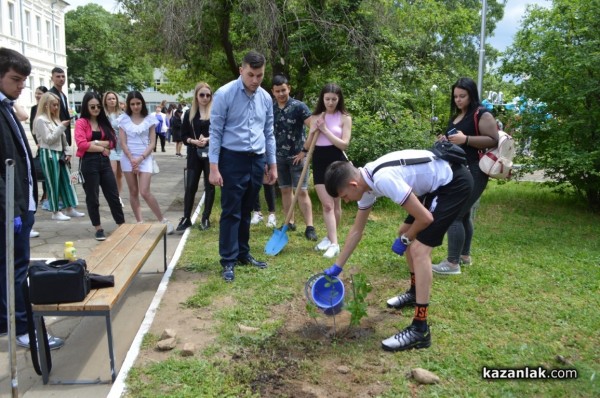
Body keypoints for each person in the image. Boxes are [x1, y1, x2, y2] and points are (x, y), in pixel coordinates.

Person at [322, 149, 473, 351]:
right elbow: (356, 231)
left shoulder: (383, 179)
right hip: (434, 186)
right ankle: (414, 292)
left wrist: (405, 239)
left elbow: (425, 219)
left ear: (352, 185)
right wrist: (337, 266)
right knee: (405, 231)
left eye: (345, 196)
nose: (347, 200)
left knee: (419, 249)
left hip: (453, 182)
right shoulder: (365, 183)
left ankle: (420, 329)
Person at [0, 47, 64, 349]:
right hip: (8, 207)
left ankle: (6, 321)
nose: (21, 86)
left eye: (24, 80)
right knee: (15, 271)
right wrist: (11, 208)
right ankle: (23, 328)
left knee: (10, 269)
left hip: (19, 203)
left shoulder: (6, 106)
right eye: (15, 79)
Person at [209, 51, 276, 282]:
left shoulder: (266, 98)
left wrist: (272, 163)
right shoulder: (224, 94)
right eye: (251, 74)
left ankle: (243, 253)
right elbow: (215, 132)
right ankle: (228, 259)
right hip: (232, 159)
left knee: (247, 208)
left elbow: (269, 133)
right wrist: (214, 167)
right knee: (231, 210)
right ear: (241, 70)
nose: (255, 80)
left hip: (256, 160)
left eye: (260, 75)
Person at [432, 77, 499, 275]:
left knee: (455, 214)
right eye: (455, 97)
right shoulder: (457, 116)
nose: (458, 100)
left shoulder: (482, 114)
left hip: (476, 169)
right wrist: (446, 140)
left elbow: (493, 139)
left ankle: (452, 263)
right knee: (465, 213)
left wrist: (465, 139)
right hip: (458, 170)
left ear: (471, 95)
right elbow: (456, 141)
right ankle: (464, 255)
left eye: (463, 96)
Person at [118, 91, 174, 233]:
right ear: (128, 105)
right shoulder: (123, 120)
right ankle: (139, 222)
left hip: (144, 157)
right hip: (128, 158)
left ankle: (162, 220)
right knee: (133, 191)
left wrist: (140, 158)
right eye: (132, 104)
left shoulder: (150, 119)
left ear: (142, 103)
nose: (135, 106)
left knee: (144, 191)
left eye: (138, 103)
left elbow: (152, 143)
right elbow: (123, 143)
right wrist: (131, 159)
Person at [307, 83, 352, 258]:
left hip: (337, 160)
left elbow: (344, 144)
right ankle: (333, 242)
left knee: (335, 204)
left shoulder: (345, 118)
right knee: (327, 205)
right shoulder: (316, 116)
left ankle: (331, 239)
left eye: (334, 99)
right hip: (319, 160)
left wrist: (325, 130)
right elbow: (308, 145)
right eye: (327, 99)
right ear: (322, 99)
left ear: (339, 99)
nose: (331, 102)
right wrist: (312, 131)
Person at [271, 74, 316, 240]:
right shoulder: (271, 108)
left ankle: (310, 227)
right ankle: (289, 221)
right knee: (285, 190)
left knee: (302, 191)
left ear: (288, 88)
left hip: (298, 157)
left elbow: (313, 128)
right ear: (273, 92)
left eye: (283, 90)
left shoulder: (299, 107)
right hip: (278, 157)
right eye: (278, 91)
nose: (281, 93)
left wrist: (304, 151)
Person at [75, 92, 125, 241]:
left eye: (98, 106)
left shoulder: (104, 122)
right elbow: (82, 144)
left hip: (104, 162)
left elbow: (112, 142)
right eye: (92, 106)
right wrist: (102, 147)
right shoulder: (81, 122)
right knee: (93, 197)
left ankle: (121, 224)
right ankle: (98, 228)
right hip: (89, 163)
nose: (96, 109)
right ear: (86, 106)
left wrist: (95, 144)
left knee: (113, 195)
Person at [33, 92, 84, 221]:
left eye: (57, 105)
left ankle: (69, 208)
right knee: (53, 183)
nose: (56, 108)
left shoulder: (54, 119)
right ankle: (55, 211)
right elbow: (49, 139)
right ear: (45, 105)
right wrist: (62, 126)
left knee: (67, 180)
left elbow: (63, 139)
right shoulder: (40, 120)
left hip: (60, 153)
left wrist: (67, 152)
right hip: (49, 154)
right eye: (54, 105)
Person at [176, 83, 216, 233]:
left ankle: (205, 217)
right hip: (194, 153)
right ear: (196, 96)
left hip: (210, 153)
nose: (205, 98)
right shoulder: (190, 113)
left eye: (208, 95)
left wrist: (207, 139)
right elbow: (183, 135)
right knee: (191, 186)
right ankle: (186, 217)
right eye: (202, 95)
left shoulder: (215, 112)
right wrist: (194, 141)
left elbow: (221, 133)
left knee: (209, 186)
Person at [103, 91, 125, 206]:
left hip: (121, 146)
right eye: (109, 99)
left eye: (113, 98)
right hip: (109, 146)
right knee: (112, 171)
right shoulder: (103, 115)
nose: (112, 100)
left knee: (120, 174)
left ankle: (118, 196)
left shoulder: (122, 114)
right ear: (105, 101)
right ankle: (113, 196)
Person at [49, 67, 72, 146]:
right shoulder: (50, 95)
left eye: (63, 76)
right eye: (58, 76)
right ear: (52, 78)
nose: (61, 79)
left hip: (65, 132)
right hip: (56, 132)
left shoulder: (63, 95)